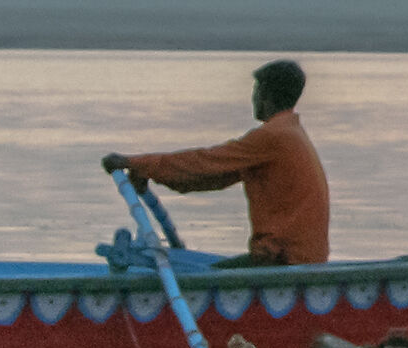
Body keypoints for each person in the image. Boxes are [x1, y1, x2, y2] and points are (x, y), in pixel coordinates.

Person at [103, 59, 330, 267]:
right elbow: (210, 176)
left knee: (210, 274)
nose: (253, 97)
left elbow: (205, 162)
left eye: (256, 90)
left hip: (285, 260)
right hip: (299, 257)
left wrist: (132, 162)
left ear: (265, 94)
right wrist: (149, 171)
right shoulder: (290, 131)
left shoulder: (274, 136)